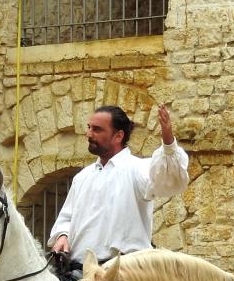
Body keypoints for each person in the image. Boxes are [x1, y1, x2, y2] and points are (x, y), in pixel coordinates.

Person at [49, 104, 189, 269]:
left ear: (118, 136)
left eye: (97, 129)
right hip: (78, 274)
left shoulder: (138, 169)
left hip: (125, 275)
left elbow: (168, 180)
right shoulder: (82, 177)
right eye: (89, 127)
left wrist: (168, 144)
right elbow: (66, 217)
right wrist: (62, 236)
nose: (88, 134)